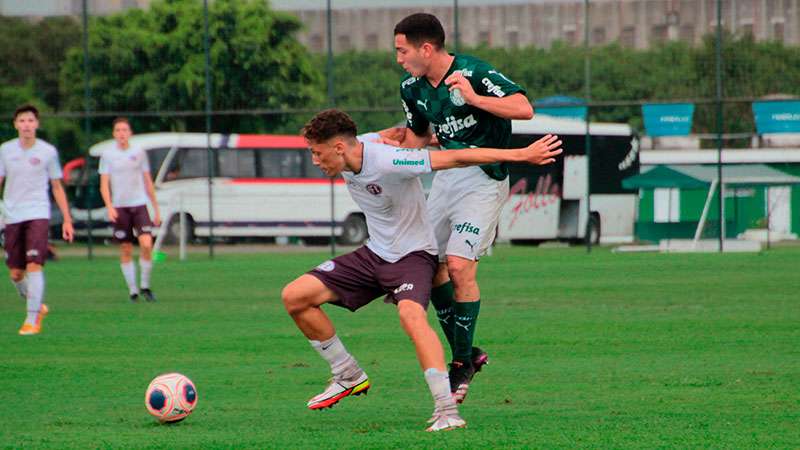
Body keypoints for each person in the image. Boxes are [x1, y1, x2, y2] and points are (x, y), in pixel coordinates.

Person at [281, 109, 560, 431]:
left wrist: (522, 154)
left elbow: (454, 159)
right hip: (374, 254)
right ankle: (347, 374)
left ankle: (446, 411)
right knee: (295, 296)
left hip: (413, 257)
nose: (315, 160)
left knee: (411, 318)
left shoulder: (389, 161)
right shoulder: (363, 143)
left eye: (317, 153)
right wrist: (408, 132)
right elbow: (398, 133)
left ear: (339, 148)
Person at [390, 13, 534, 402]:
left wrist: (473, 98)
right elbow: (418, 139)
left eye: (403, 51)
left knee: (458, 265)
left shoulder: (473, 71)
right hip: (447, 177)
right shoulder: (411, 88)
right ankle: (469, 352)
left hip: (484, 179)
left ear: (426, 48)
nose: (400, 59)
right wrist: (380, 157)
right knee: (428, 266)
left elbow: (524, 108)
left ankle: (461, 365)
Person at [0, 104, 74, 335]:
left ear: (37, 124)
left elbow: (57, 186)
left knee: (34, 265)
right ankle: (36, 306)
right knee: (15, 273)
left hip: (38, 213)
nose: (26, 125)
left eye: (30, 121)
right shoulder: (5, 150)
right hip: (12, 215)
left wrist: (67, 220)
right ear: (16, 125)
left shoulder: (48, 152)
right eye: (22, 121)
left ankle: (32, 320)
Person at [99, 117, 162, 302]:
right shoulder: (108, 155)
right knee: (126, 248)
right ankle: (133, 290)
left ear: (130, 133)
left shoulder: (139, 152)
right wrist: (109, 207)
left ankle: (145, 286)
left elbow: (147, 181)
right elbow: (104, 184)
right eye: (118, 130)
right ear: (114, 134)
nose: (121, 134)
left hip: (139, 205)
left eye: (124, 130)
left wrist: (156, 209)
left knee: (146, 244)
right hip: (120, 208)